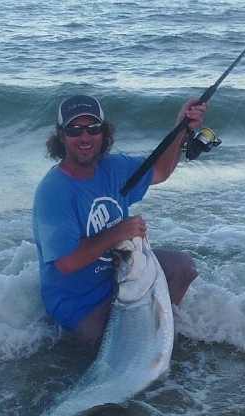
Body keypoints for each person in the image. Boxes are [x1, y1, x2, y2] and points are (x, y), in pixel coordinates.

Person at [32, 94, 208, 349]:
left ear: (104, 132)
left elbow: (160, 170)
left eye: (93, 128)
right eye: (74, 129)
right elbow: (67, 263)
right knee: (111, 348)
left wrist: (181, 127)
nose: (84, 137)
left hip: (118, 278)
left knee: (183, 268)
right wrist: (117, 233)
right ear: (61, 135)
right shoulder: (54, 191)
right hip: (79, 301)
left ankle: (160, 333)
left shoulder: (113, 168)